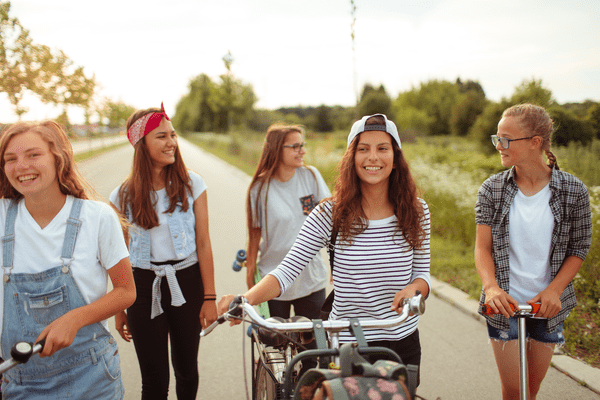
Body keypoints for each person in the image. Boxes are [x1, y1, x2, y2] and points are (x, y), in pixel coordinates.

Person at [219, 114, 431, 383]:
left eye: (382, 148)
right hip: (347, 345)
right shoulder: (329, 214)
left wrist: (413, 289)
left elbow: (422, 275)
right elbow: (286, 271)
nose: (373, 158)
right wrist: (245, 299)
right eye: (363, 149)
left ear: (395, 156)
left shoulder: (417, 211)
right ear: (351, 157)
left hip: (402, 340)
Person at [0, 120, 136, 399]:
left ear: (58, 158)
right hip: (20, 382)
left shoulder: (98, 217)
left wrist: (74, 319)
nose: (21, 166)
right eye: (10, 159)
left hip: (92, 378)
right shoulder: (2, 216)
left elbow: (126, 292)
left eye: (33, 155)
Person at [474, 104, 592, 400]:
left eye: (506, 139)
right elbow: (482, 247)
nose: (499, 146)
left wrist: (554, 291)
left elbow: (578, 248)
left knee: (531, 391)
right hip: (504, 305)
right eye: (497, 138)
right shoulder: (491, 190)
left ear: (535, 142)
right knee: (514, 393)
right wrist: (490, 288)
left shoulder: (573, 191)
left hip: (548, 306)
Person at [110, 104, 218, 400]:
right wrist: (119, 307)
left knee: (187, 370)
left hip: (187, 281)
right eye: (161, 136)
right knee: (154, 380)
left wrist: (209, 297)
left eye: (173, 135)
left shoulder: (192, 184)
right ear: (140, 144)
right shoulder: (121, 196)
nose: (171, 142)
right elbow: (118, 256)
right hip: (143, 288)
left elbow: (204, 243)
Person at [246, 123, 331, 320]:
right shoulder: (259, 189)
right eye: (295, 147)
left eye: (302, 145)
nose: (302, 151)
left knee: (316, 347)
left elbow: (332, 223)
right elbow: (254, 234)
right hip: (273, 281)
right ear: (276, 149)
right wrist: (250, 273)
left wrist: (337, 266)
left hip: (311, 280)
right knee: (276, 348)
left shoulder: (311, 176)